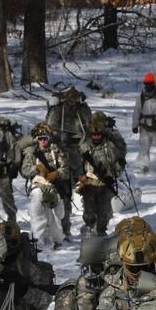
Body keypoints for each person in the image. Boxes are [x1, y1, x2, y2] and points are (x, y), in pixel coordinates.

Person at [45, 86, 93, 234]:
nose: (73, 103)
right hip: (63, 147)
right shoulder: (59, 110)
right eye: (71, 101)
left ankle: (88, 223)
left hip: (79, 145)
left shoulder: (83, 109)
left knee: (84, 186)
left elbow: (90, 125)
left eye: (76, 100)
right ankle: (62, 228)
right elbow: (51, 127)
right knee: (63, 193)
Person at [20, 123, 68, 251]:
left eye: (45, 138)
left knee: (55, 216)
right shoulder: (31, 152)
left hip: (54, 186)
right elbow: (25, 171)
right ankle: (38, 241)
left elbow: (66, 170)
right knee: (37, 213)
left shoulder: (56, 150)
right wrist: (35, 168)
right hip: (38, 185)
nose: (42, 141)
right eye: (40, 138)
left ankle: (57, 241)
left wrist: (57, 173)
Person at [77, 111, 126, 236]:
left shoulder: (109, 145)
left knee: (104, 209)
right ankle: (89, 226)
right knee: (89, 209)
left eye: (99, 135)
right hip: (89, 182)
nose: (96, 137)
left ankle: (101, 230)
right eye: (94, 135)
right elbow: (78, 162)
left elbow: (116, 160)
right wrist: (80, 176)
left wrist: (119, 165)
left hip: (105, 182)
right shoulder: (85, 146)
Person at [132, 73, 156, 173]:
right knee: (144, 147)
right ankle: (143, 166)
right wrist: (135, 125)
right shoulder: (141, 97)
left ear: (154, 83)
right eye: (146, 83)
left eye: (150, 83)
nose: (148, 85)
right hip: (144, 127)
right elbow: (137, 111)